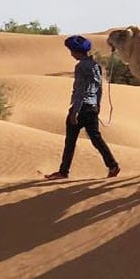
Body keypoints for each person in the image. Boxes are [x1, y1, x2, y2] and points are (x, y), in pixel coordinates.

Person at [44, 34, 119, 180]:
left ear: (76, 51)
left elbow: (80, 90)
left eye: (71, 51)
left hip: (81, 108)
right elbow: (99, 89)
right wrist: (97, 107)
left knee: (70, 141)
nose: (71, 54)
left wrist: (75, 112)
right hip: (91, 108)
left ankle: (63, 172)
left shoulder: (80, 67)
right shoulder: (96, 66)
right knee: (96, 139)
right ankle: (113, 165)